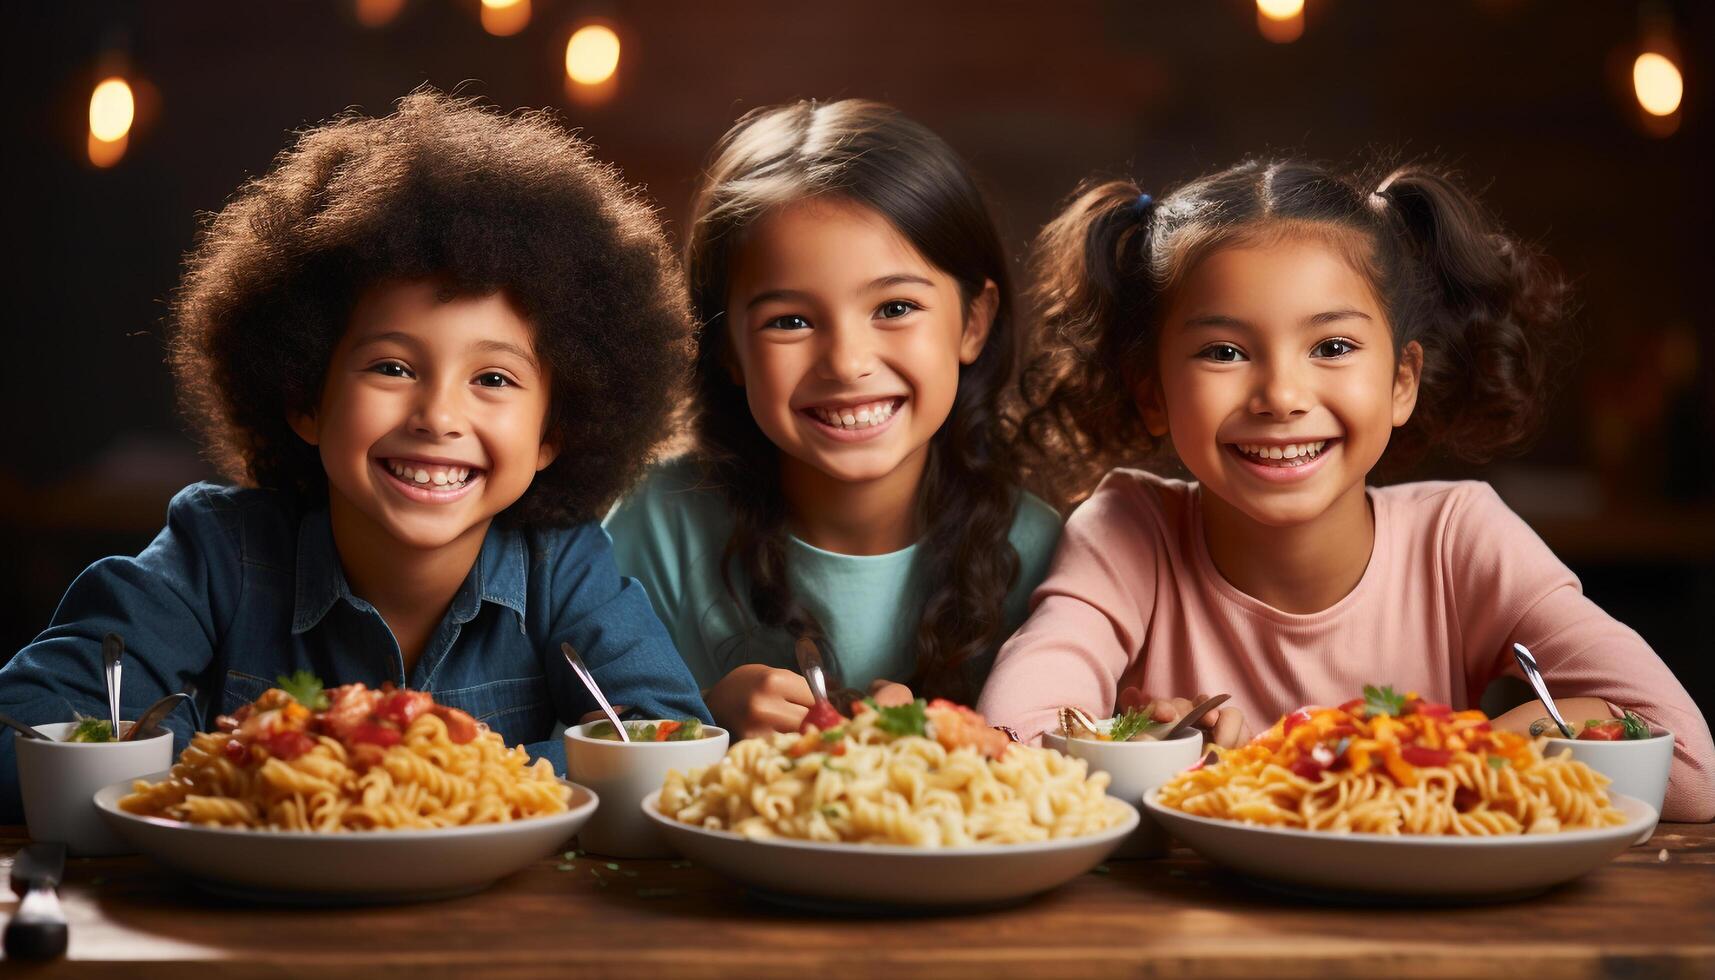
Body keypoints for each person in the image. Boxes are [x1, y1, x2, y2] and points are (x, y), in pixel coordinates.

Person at [0, 90, 709, 820]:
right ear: (305, 397)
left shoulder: (561, 568)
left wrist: (457, 781)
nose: (438, 416)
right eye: (392, 368)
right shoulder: (214, 555)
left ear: (553, 432)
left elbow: (660, 741)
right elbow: (18, 728)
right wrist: (240, 772)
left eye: (492, 379)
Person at [978, 158, 1713, 821]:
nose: (1281, 395)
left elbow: (1686, 769)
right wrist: (1160, 751)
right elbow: (1010, 743)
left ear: (1401, 381)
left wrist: (1418, 755)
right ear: (1151, 392)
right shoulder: (1126, 531)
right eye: (1223, 352)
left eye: (1331, 347)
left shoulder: (1459, 539)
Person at [604, 100, 1060, 737]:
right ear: (727, 348)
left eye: (895, 307)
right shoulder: (653, 527)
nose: (846, 363)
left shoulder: (1045, 554)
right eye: (790, 321)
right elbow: (570, 735)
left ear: (974, 321)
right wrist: (696, 720)